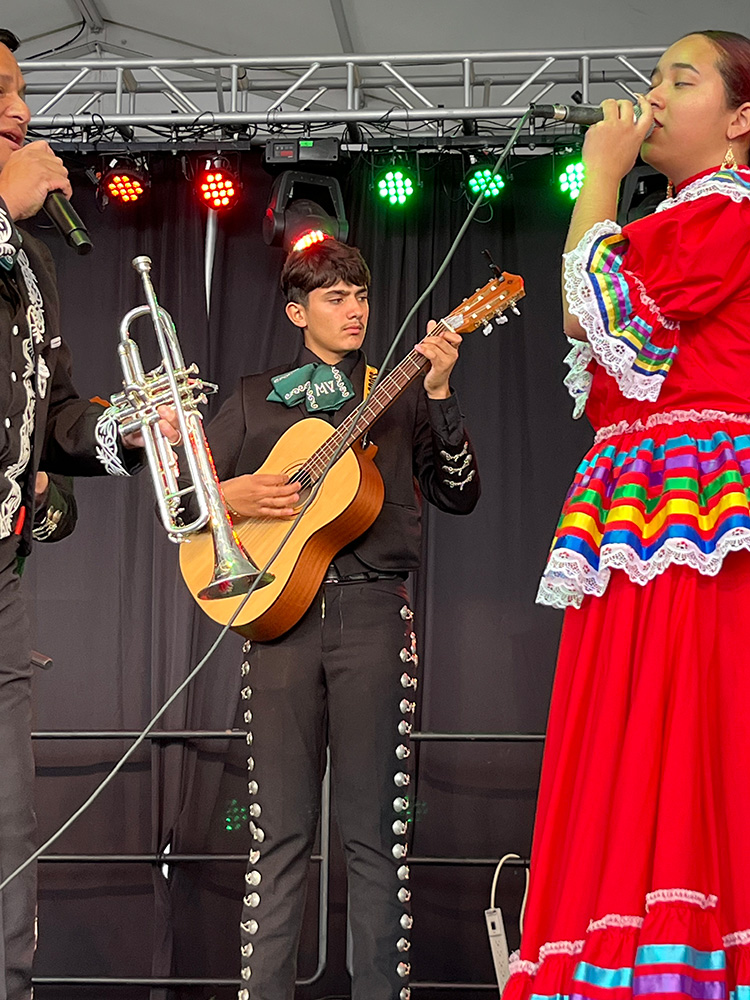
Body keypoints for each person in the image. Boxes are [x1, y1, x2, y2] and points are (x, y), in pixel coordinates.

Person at [504, 29, 750, 1000]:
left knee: (685, 719)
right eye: (651, 80)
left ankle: (682, 952)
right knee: (632, 724)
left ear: (741, 122)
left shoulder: (728, 215)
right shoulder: (680, 220)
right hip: (645, 497)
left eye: (678, 81)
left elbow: (584, 308)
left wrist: (596, 176)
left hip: (696, 503)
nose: (651, 97)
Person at [196, 237, 480, 1000]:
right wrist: (232, 496)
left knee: (375, 839)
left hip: (373, 617)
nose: (354, 309)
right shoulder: (259, 398)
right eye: (334, 298)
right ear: (298, 312)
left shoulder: (404, 391)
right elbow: (186, 499)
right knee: (277, 837)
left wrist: (444, 392)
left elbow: (459, 493)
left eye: (359, 295)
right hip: (279, 623)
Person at [0, 27, 179, 1000]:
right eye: (0, 91)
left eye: (23, 89)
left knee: (7, 844)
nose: (22, 109)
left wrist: (133, 429)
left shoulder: (33, 257)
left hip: (1, 580)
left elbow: (53, 418)